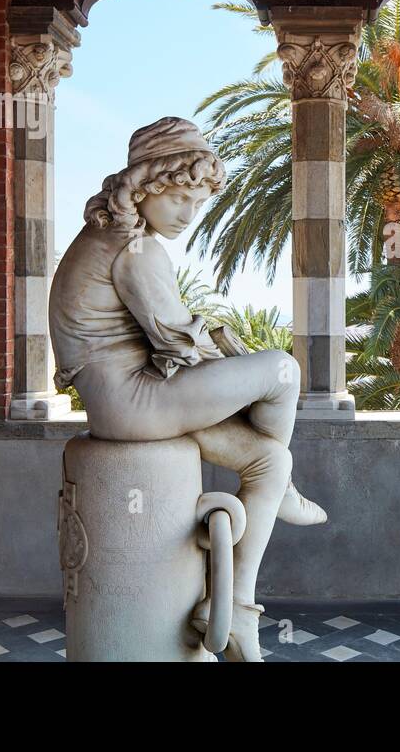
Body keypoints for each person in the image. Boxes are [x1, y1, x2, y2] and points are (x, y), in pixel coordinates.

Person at [49, 116, 325, 661]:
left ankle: (237, 608)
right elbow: (178, 344)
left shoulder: (115, 236)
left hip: (128, 399)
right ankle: (283, 486)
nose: (186, 214)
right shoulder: (135, 250)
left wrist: (220, 358)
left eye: (195, 203)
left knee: (268, 461)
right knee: (283, 371)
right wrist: (234, 358)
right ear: (144, 188)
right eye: (176, 197)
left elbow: (171, 343)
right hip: (132, 400)